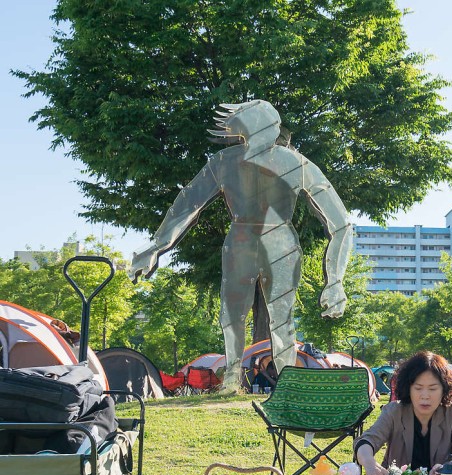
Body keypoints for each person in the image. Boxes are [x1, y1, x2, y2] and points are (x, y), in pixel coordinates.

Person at [129, 100, 351, 391]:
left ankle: (269, 381)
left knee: (270, 317)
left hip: (267, 242)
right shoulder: (251, 162)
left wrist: (336, 280)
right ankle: (240, 377)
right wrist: (155, 247)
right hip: (253, 241)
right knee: (240, 315)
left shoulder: (248, 162)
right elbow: (186, 205)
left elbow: (341, 222)